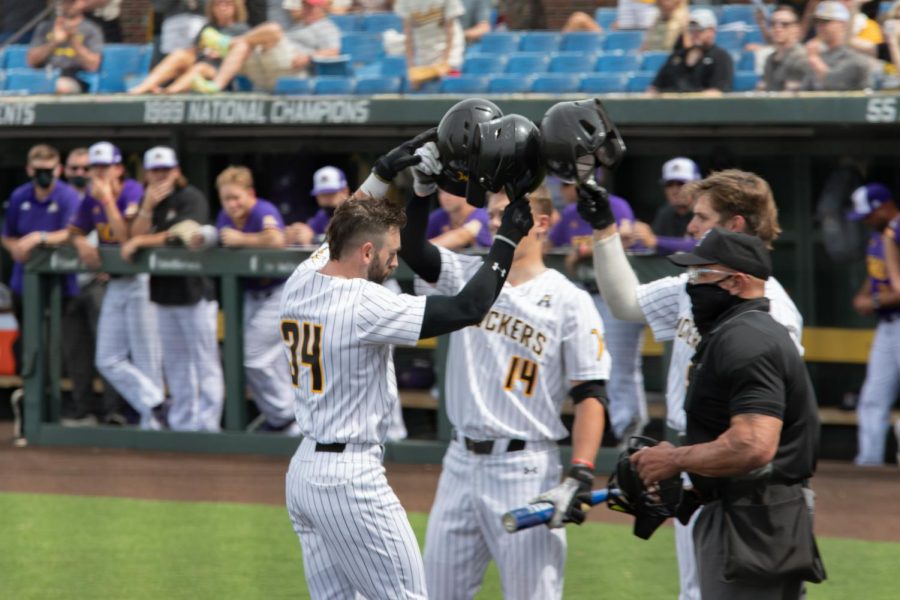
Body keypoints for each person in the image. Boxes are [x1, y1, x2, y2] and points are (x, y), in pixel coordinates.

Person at [280, 130, 534, 599]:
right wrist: (507, 240)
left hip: (304, 474)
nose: (397, 263)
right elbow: (467, 309)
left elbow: (345, 222)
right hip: (349, 479)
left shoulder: (304, 277)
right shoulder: (362, 302)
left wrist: (380, 174)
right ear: (368, 253)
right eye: (392, 255)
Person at [577, 169, 804, 600]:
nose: (690, 226)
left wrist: (685, 460)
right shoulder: (697, 283)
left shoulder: (773, 315)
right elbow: (625, 303)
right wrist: (605, 230)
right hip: (697, 463)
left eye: (701, 216)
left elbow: (763, 433)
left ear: (734, 223)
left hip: (739, 479)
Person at [404, 154, 610, 599]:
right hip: (459, 462)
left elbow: (592, 393)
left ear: (540, 221)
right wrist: (419, 190)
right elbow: (413, 250)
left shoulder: (569, 300)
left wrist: (580, 471)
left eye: (506, 214)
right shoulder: (468, 275)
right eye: (493, 214)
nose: (498, 223)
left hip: (526, 466)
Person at [631, 227, 825, 599]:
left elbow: (752, 445)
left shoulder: (747, 339)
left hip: (752, 520)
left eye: (701, 274)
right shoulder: (738, 331)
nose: (692, 285)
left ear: (736, 282)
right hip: (756, 513)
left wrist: (674, 459)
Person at [122, 146, 224, 432]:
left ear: (177, 170)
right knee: (176, 364)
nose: (161, 177)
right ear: (146, 174)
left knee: (204, 363)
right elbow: (133, 235)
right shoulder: (150, 202)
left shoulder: (190, 196)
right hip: (164, 293)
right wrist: (146, 209)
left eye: (166, 171)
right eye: (155, 171)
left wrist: (142, 242)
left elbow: (182, 234)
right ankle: (183, 425)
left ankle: (208, 425)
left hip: (195, 292)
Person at [67, 142, 165, 430]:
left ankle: (153, 423)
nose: (99, 173)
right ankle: (156, 405)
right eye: (95, 167)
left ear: (118, 168)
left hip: (140, 281)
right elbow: (75, 229)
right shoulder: (91, 196)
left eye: (104, 166)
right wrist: (81, 241)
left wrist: (108, 201)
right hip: (115, 283)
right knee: (107, 359)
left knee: (147, 356)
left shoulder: (132, 191)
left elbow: (125, 238)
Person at [548, 184, 647, 445]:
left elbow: (623, 239)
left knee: (621, 368)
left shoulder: (616, 204)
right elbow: (546, 244)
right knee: (581, 364)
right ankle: (611, 431)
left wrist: (582, 251)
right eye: (566, 184)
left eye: (570, 185)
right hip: (586, 292)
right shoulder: (569, 214)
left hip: (615, 296)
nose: (567, 190)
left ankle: (628, 434)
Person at [205, 166, 297, 434]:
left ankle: (284, 417)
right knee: (260, 360)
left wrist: (241, 239)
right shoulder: (225, 215)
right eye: (226, 199)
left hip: (279, 291)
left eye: (237, 197)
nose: (232, 204)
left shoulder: (263, 210)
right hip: (250, 295)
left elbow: (276, 239)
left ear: (250, 193)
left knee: (252, 356)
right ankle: (286, 418)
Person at [2, 144, 81, 442]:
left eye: (49, 170)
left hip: (61, 286)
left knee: (56, 348)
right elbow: (8, 235)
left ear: (58, 170)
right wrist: (17, 249)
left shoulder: (67, 195)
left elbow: (74, 232)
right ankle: (30, 407)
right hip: (25, 284)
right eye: (38, 171)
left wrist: (39, 238)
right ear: (29, 170)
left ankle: (55, 413)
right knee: (29, 347)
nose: (44, 176)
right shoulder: (20, 195)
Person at [845, 183, 900, 466]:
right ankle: (868, 465)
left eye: (868, 214)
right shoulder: (879, 237)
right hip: (888, 327)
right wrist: (866, 294)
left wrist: (875, 302)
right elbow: (877, 274)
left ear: (883, 205)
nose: (866, 220)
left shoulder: (896, 232)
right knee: (872, 399)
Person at [191, 0, 341, 93]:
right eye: (305, 5)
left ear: (323, 9)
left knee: (273, 29)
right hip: (266, 71)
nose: (307, 9)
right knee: (245, 45)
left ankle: (227, 43)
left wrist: (309, 57)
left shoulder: (326, 26)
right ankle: (215, 86)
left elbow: (334, 52)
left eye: (312, 7)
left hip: (293, 68)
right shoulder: (296, 25)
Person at [129, 0, 250, 95]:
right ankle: (144, 87)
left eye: (228, 4)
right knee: (179, 55)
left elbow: (243, 55)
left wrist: (220, 51)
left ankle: (169, 92)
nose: (222, 8)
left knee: (201, 68)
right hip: (200, 62)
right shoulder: (208, 27)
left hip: (221, 72)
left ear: (236, 7)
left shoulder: (241, 29)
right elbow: (196, 49)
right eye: (218, 4)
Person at [649, 8, 734, 95]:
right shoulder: (677, 56)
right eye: (691, 29)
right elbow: (655, 88)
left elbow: (717, 92)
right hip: (671, 106)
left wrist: (687, 99)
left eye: (699, 29)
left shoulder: (721, 57)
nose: (694, 33)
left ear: (711, 31)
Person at [26, 0, 103, 94]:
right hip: (45, 74)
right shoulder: (45, 27)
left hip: (75, 76)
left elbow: (93, 65)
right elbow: (31, 61)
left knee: (60, 86)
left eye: (72, 2)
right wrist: (54, 42)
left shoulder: (91, 29)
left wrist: (72, 40)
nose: (68, 5)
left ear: (82, 2)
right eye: (64, 2)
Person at [632, 157, 701, 256]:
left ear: (697, 187)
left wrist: (656, 241)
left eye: (681, 184)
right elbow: (650, 244)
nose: (675, 190)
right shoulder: (665, 212)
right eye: (669, 184)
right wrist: (635, 238)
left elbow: (703, 245)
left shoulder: (705, 210)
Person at [801, 1, 871, 91]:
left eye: (826, 21)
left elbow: (834, 85)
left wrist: (815, 60)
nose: (820, 26)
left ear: (842, 24)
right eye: (817, 22)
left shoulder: (855, 60)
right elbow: (804, 92)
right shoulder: (819, 56)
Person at [395, 0, 465, 88]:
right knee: (419, 88)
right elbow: (408, 36)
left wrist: (445, 62)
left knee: (451, 83)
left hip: (450, 50)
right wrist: (411, 69)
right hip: (423, 52)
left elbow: (450, 30)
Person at [284, 166, 350, 246]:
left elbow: (350, 241)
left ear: (345, 191)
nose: (326, 199)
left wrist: (313, 238)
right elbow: (308, 231)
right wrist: (296, 234)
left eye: (331, 193)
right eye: (322, 194)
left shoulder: (356, 212)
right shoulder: (322, 215)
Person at [759, 5, 809, 92]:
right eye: (773, 24)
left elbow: (790, 96)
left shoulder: (801, 57)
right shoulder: (769, 59)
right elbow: (762, 89)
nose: (778, 28)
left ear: (796, 29)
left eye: (784, 24)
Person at [426, 189, 492, 250]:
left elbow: (462, 236)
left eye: (451, 191)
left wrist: (421, 249)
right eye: (441, 192)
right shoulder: (438, 216)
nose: (446, 197)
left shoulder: (482, 215)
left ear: (465, 193)